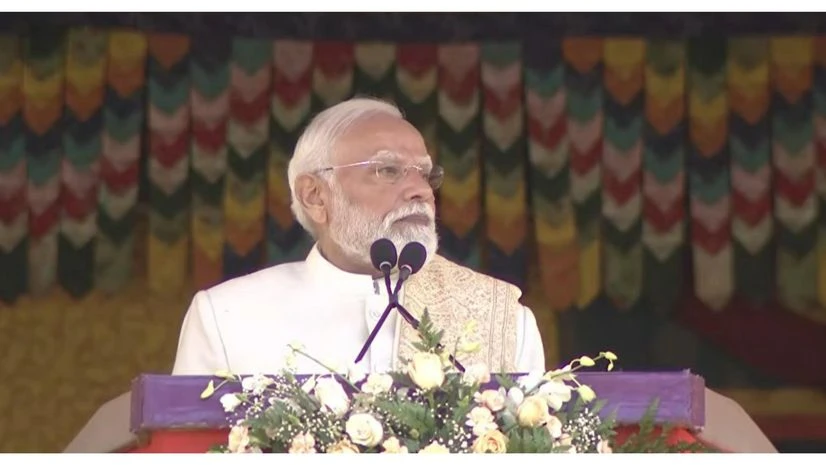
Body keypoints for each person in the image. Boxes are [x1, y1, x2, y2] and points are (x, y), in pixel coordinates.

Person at [171, 97, 546, 376]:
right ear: (315, 196)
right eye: (387, 170)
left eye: (425, 174)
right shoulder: (227, 316)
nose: (421, 191)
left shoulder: (503, 316)